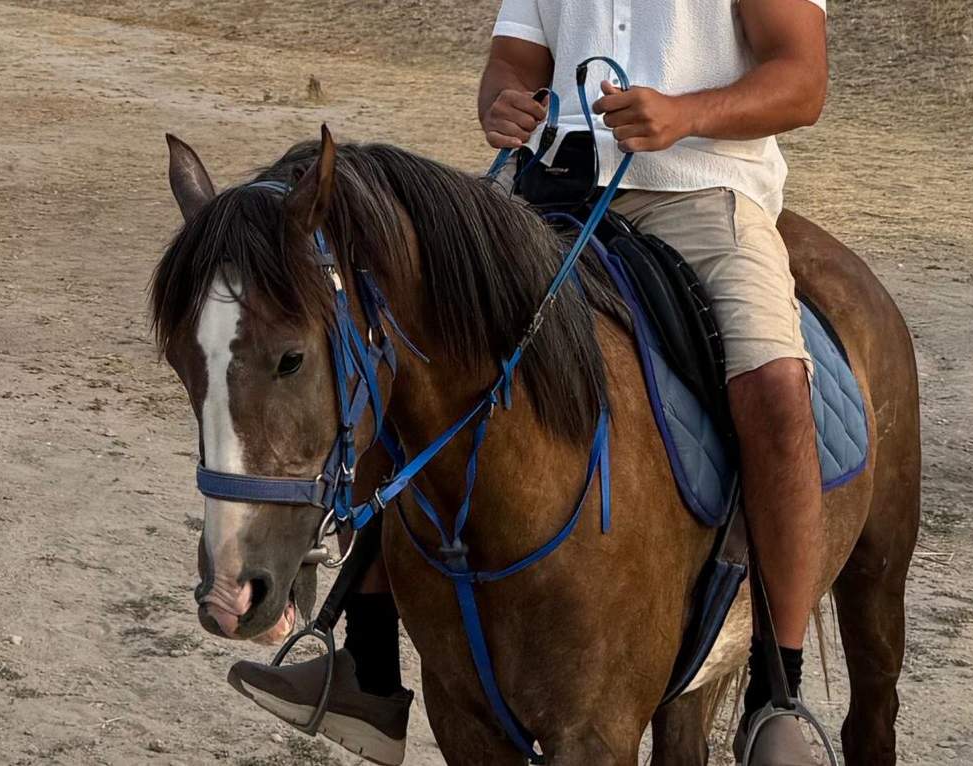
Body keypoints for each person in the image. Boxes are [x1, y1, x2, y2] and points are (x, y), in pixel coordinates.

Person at [227, 0, 833, 763]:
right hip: (547, 197)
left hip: (702, 191)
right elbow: (513, 63)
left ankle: (777, 694)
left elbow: (802, 81)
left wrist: (686, 112)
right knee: (397, 348)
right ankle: (368, 664)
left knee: (776, 388)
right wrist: (501, 103)